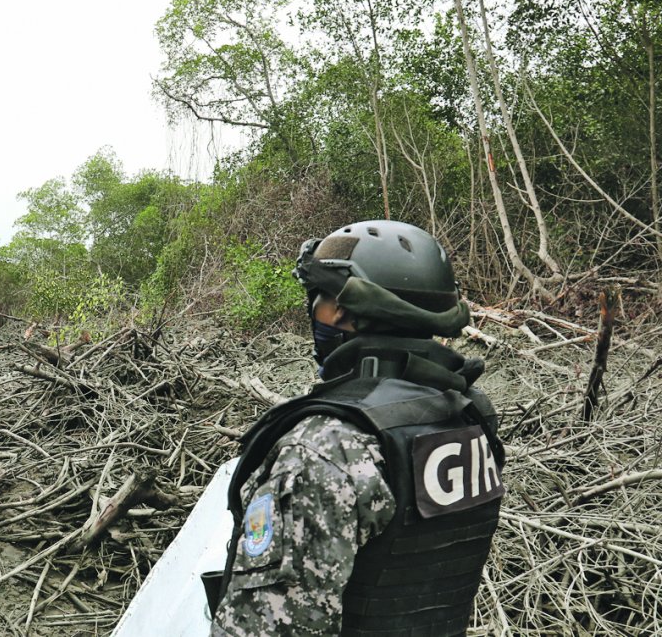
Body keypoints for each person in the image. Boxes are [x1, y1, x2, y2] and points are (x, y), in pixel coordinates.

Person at [209, 220, 505, 636]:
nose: (315, 312)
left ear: (347, 311)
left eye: (321, 299)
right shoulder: (471, 416)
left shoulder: (326, 447)